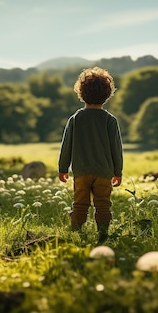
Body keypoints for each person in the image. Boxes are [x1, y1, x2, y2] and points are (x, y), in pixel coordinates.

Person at [58, 66, 123, 244]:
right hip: (104, 172)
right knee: (103, 204)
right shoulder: (110, 120)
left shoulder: (75, 119)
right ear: (107, 94)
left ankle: (76, 233)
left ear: (81, 92)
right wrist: (118, 171)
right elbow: (116, 148)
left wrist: (62, 168)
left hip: (81, 172)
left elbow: (66, 146)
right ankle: (103, 235)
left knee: (80, 204)